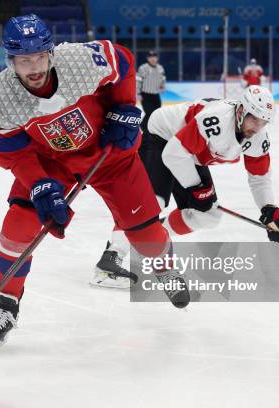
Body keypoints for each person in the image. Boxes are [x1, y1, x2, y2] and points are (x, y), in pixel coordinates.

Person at [0, 14, 189, 354]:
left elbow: (122, 60)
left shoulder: (79, 61)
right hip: (52, 163)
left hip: (110, 156)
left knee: (146, 235)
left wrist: (124, 108)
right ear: (10, 60)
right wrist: (40, 186)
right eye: (23, 60)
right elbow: (14, 152)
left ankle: (165, 268)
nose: (33, 67)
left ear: (50, 52)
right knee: (17, 226)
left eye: (39, 57)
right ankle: (7, 305)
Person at [92, 86, 279, 283]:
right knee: (154, 202)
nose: (256, 127)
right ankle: (110, 259)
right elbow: (173, 153)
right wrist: (196, 187)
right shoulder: (217, 121)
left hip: (190, 151)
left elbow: (259, 177)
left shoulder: (259, 138)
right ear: (241, 111)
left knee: (209, 215)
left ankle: (151, 236)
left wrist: (269, 210)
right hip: (163, 135)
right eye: (253, 119)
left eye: (263, 122)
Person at [91, 50, 166, 289]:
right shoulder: (139, 73)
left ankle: (116, 254)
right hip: (143, 142)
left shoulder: (159, 70)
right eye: (151, 56)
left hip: (151, 127)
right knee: (146, 203)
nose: (153, 59)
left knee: (148, 206)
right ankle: (111, 258)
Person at [136, 50, 166, 134]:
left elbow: (162, 79)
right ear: (148, 58)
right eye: (150, 57)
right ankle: (144, 128)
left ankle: (148, 127)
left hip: (156, 95)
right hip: (145, 94)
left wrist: (162, 86)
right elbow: (138, 80)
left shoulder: (160, 68)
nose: (153, 59)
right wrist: (138, 93)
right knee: (150, 112)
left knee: (156, 113)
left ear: (157, 58)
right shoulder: (143, 68)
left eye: (154, 57)